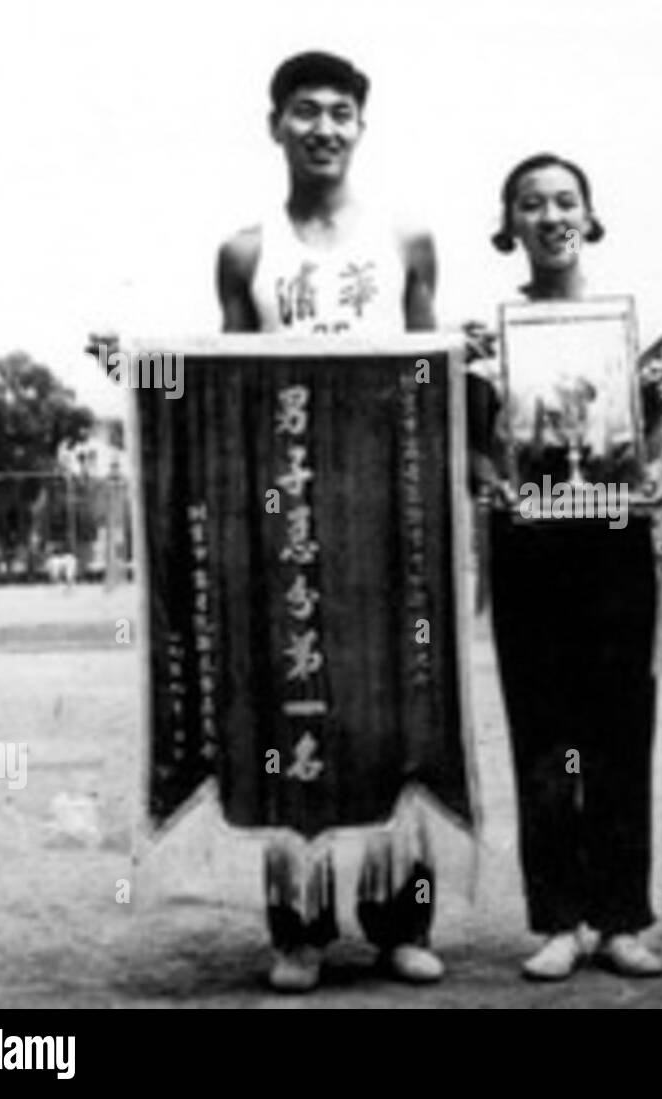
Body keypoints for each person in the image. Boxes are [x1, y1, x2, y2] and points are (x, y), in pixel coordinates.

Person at [215, 50, 443, 992]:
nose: (322, 128)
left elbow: (435, 373)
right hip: (287, 511)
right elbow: (227, 388)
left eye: (340, 112)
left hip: (388, 508)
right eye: (303, 111)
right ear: (274, 125)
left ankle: (399, 920)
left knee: (394, 705)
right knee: (292, 705)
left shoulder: (407, 240)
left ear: (360, 126)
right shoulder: (245, 250)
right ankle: (298, 925)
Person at [468, 153, 662, 980]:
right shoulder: (489, 335)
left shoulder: (628, 329)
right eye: (531, 204)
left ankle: (623, 916)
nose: (551, 217)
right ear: (509, 223)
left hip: (615, 544)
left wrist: (657, 415)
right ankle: (558, 919)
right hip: (532, 551)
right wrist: (497, 487)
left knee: (622, 728)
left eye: (565, 202)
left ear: (589, 217)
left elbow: (656, 447)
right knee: (546, 735)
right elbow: (474, 456)